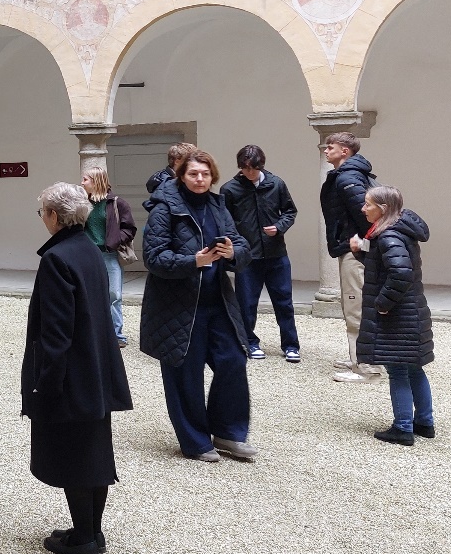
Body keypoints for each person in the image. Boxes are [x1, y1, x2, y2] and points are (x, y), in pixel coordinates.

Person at [25, 183, 133, 554]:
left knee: (75, 455)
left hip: (72, 373)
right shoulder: (88, 248)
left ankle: (84, 539)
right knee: (94, 451)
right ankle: (91, 531)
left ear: (54, 216)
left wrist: (47, 384)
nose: (42, 218)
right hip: (96, 367)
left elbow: (56, 332)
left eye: (43, 212)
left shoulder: (57, 259)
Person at [140, 149, 255, 463]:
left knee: (233, 360)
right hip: (178, 307)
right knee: (185, 375)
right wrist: (194, 261)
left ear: (212, 176)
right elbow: (154, 257)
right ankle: (195, 441)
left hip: (217, 302)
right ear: (182, 176)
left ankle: (228, 433)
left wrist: (232, 252)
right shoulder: (164, 208)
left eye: (205, 174)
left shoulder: (218, 205)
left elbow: (240, 243)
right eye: (193, 174)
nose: (200, 179)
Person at [353, 186, 435, 446]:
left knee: (397, 369)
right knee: (413, 368)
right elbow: (383, 266)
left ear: (383, 209)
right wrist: (359, 252)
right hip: (411, 312)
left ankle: (402, 427)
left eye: (368, 204)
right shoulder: (399, 230)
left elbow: (400, 273)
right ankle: (424, 422)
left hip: (398, 315)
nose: (363, 209)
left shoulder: (388, 235)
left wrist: (382, 303)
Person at [221, 145, 301, 363]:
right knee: (246, 304)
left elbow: (290, 211)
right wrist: (236, 244)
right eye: (245, 168)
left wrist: (279, 227)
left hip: (276, 254)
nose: (249, 173)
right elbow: (225, 222)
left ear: (261, 166)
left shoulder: (276, 184)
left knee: (284, 302)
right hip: (247, 257)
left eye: (253, 168)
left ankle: (291, 346)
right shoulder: (230, 189)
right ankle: (249, 342)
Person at [319, 132, 383, 383]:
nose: (326, 150)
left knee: (356, 307)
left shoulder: (348, 177)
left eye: (330, 147)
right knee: (355, 305)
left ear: (344, 151)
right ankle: (359, 356)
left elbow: (368, 216)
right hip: (352, 246)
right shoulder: (350, 175)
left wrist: (361, 244)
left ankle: (367, 368)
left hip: (355, 250)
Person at [79, 168, 136, 347]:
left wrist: (115, 240)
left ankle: (116, 336)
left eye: (85, 179)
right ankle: (93, 334)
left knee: (114, 294)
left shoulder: (117, 203)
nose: (82, 183)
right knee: (89, 294)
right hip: (88, 255)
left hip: (109, 255)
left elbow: (130, 228)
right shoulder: (82, 204)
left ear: (96, 181)